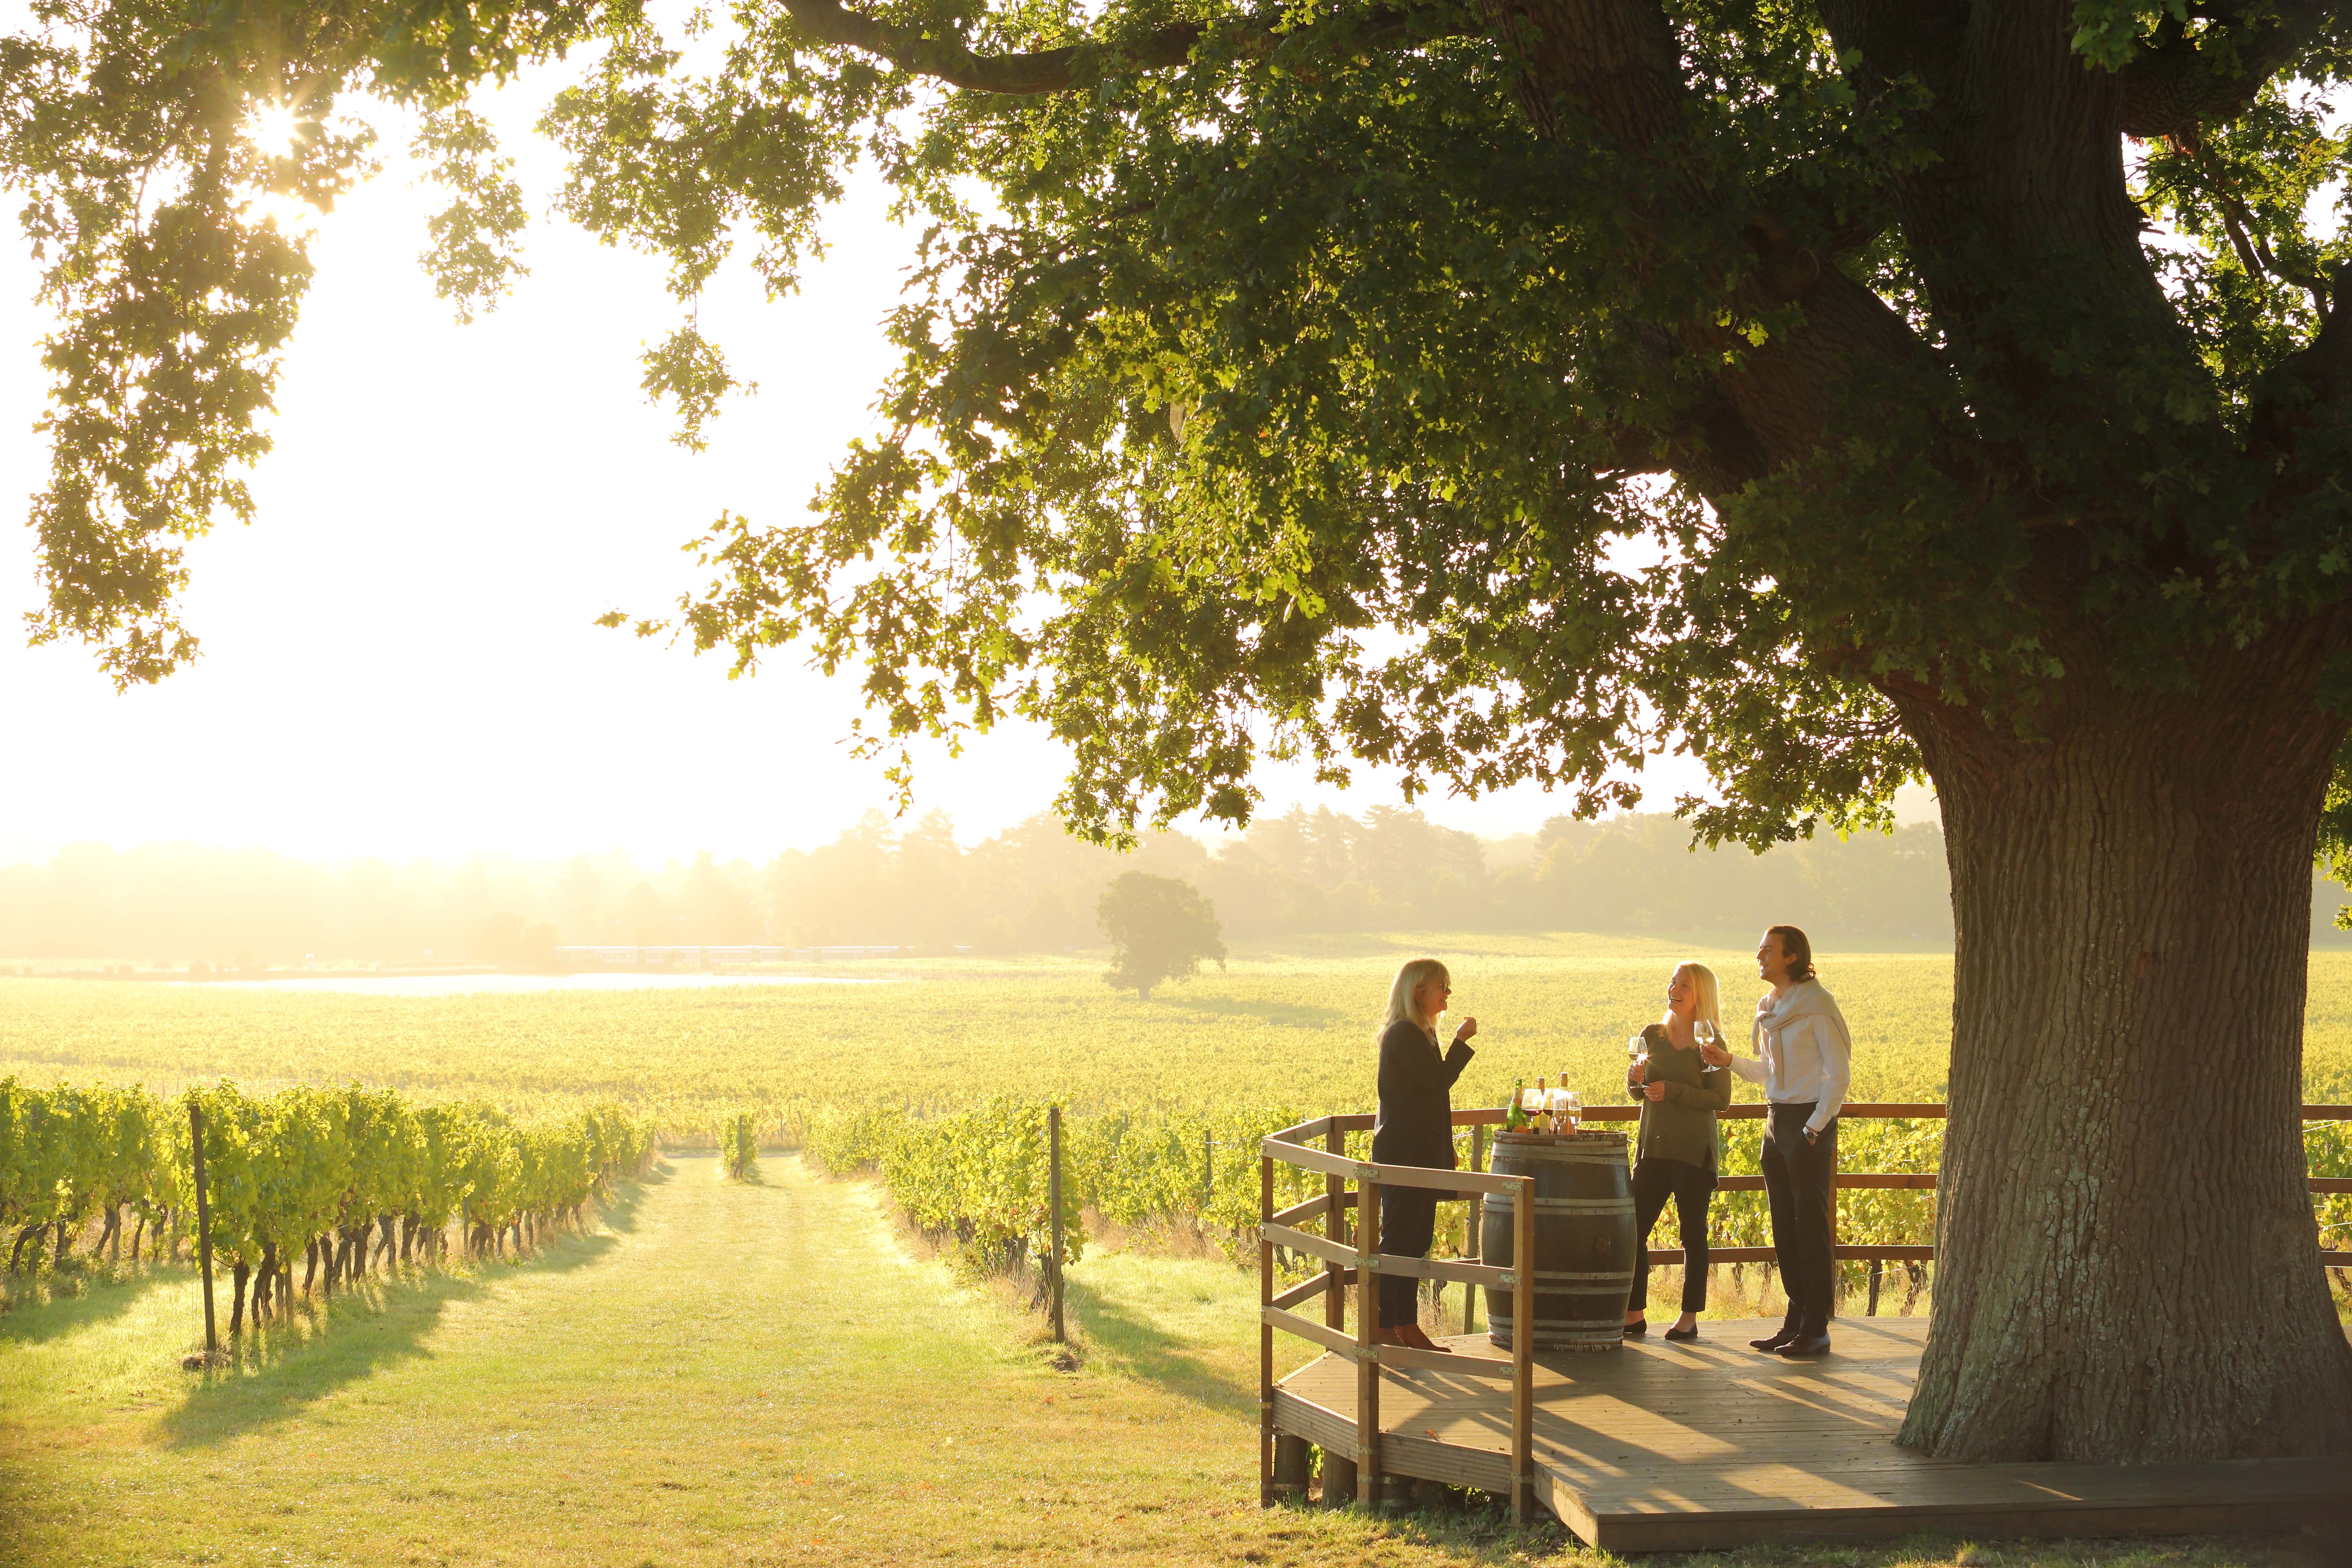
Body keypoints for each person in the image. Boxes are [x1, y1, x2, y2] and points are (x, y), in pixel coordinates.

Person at [1700, 925, 1851, 1359]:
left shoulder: (1818, 1007)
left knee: (1811, 1228)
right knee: (1785, 1227)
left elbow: (1838, 1076)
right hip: (1776, 1121)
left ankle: (1817, 1328)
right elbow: (1769, 1072)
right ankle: (1796, 1320)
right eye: (1760, 949)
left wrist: (1813, 1127)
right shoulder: (1771, 1007)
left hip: (1808, 1124)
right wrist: (1728, 1061)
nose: (1759, 956)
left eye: (1768, 950)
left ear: (1792, 957)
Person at [1370, 958, 1477, 1351]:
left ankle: (1401, 1325)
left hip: (1416, 1152)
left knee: (1414, 1239)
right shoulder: (1405, 1035)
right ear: (1419, 992)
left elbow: (1426, 1097)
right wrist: (1461, 1043)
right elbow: (1437, 1083)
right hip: (1403, 1154)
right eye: (1442, 986)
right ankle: (1388, 1327)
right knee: (1400, 1239)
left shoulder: (1420, 1032)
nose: (1448, 993)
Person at [1624, 961, 1730, 1341]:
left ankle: (1689, 1316)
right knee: (1633, 1229)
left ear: (1700, 994)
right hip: (1652, 1149)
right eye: (1673, 982)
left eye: (1684, 985)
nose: (1675, 989)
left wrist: (1675, 1091)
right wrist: (1635, 1081)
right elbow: (1637, 1090)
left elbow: (1722, 1099)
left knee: (1692, 1236)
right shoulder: (1652, 1035)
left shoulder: (1710, 1043)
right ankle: (1634, 1313)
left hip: (1692, 1153)